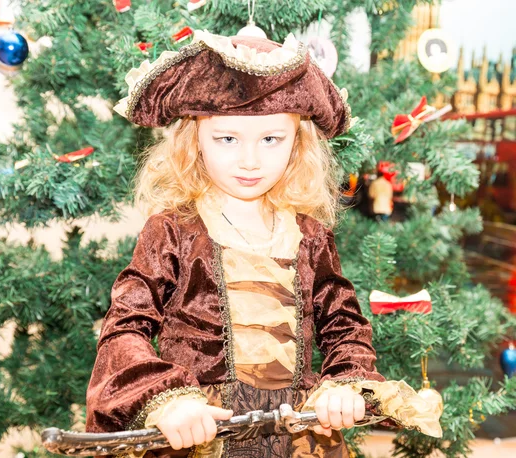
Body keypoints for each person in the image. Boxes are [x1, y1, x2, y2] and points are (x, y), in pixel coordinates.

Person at [85, 30, 426, 458]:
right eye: (227, 139)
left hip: (300, 439)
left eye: (271, 139)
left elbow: (345, 326)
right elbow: (125, 327)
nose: (250, 160)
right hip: (200, 437)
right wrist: (166, 399)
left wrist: (344, 384)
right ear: (194, 139)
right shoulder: (172, 231)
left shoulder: (311, 236)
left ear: (297, 143)